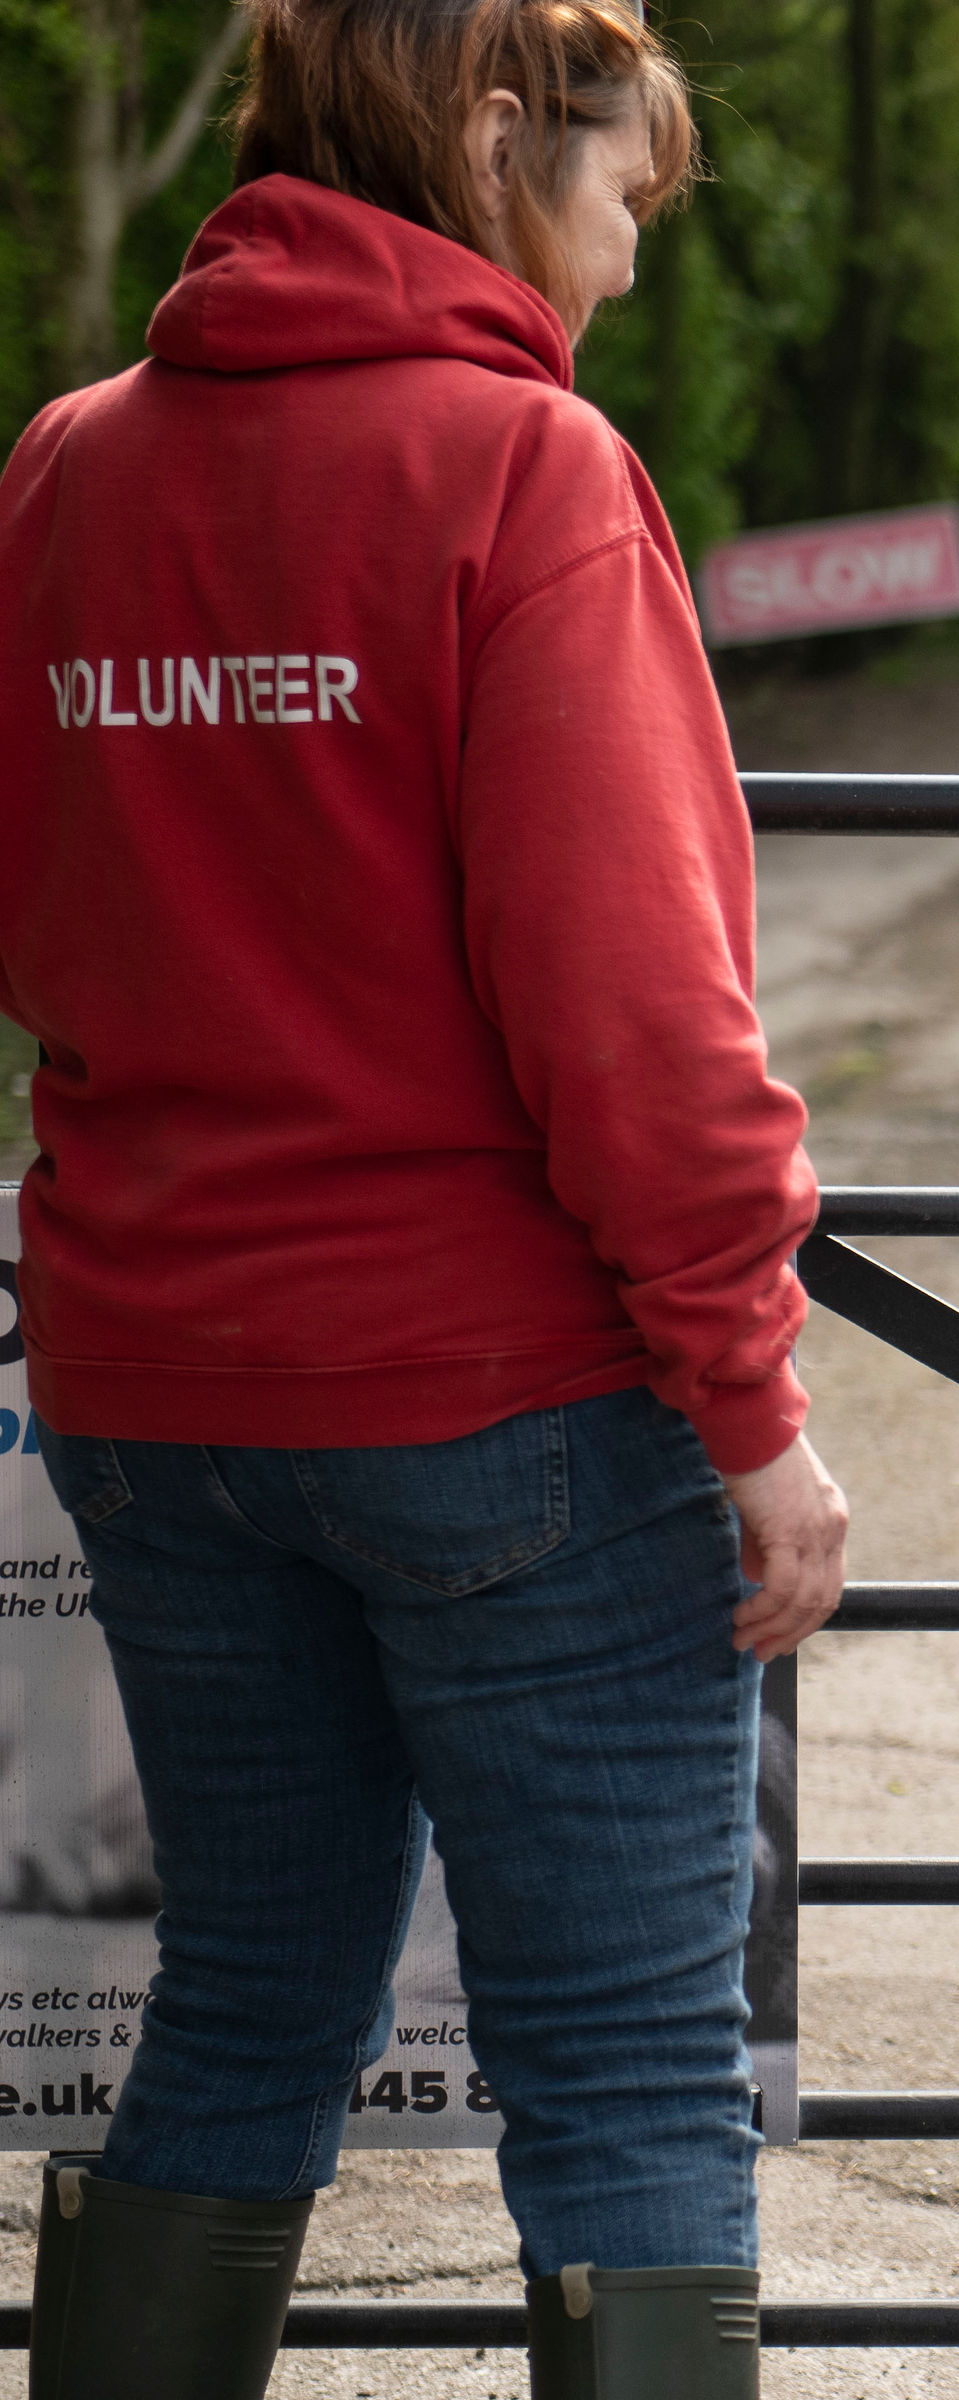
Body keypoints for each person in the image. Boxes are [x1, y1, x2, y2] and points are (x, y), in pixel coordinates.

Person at [0, 1, 844, 2390]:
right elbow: (639, 1021)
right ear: (490, 133)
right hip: (509, 1407)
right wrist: (756, 1409)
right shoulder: (524, 475)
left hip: (160, 1403)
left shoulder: (65, 468)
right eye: (616, 198)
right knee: (625, 2064)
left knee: (250, 1991)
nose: (629, 269)